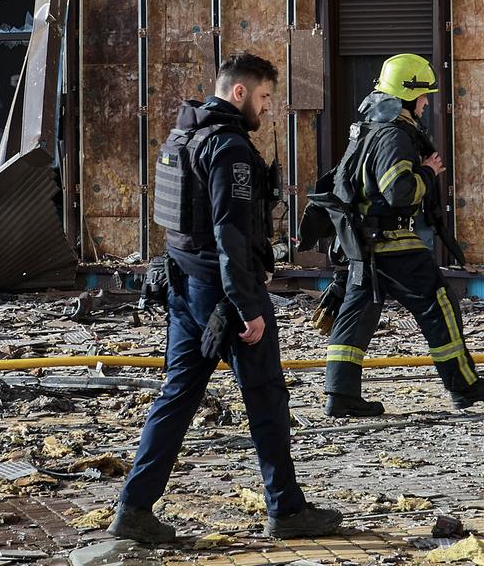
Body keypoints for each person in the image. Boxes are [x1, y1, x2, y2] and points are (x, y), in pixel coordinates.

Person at [112, 53, 342, 544]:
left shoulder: (184, 134)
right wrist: (248, 306)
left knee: (176, 397)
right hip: (222, 293)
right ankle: (286, 510)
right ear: (239, 92)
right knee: (266, 396)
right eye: (263, 97)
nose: (266, 108)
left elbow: (184, 226)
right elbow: (230, 231)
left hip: (183, 284)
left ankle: (133, 510)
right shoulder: (229, 148)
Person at [322, 53, 484, 417]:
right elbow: (399, 193)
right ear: (407, 96)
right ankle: (464, 386)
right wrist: (427, 172)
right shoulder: (395, 135)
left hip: (361, 246)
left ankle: (340, 395)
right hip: (394, 245)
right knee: (439, 305)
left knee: (355, 317)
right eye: (424, 96)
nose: (426, 104)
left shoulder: (367, 129)